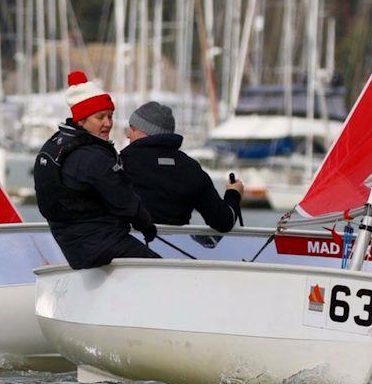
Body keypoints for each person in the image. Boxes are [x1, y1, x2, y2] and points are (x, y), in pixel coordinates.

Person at [34, 71, 159, 269]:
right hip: (102, 244)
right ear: (81, 120)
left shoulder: (55, 146)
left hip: (74, 247)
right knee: (159, 269)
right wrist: (147, 226)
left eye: (110, 116)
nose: (108, 123)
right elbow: (124, 200)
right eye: (100, 117)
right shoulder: (93, 156)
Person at [120, 101, 244, 232]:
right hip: (176, 250)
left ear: (146, 131)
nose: (128, 134)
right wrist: (233, 193)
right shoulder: (191, 168)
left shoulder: (121, 163)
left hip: (126, 249)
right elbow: (224, 221)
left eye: (132, 128)